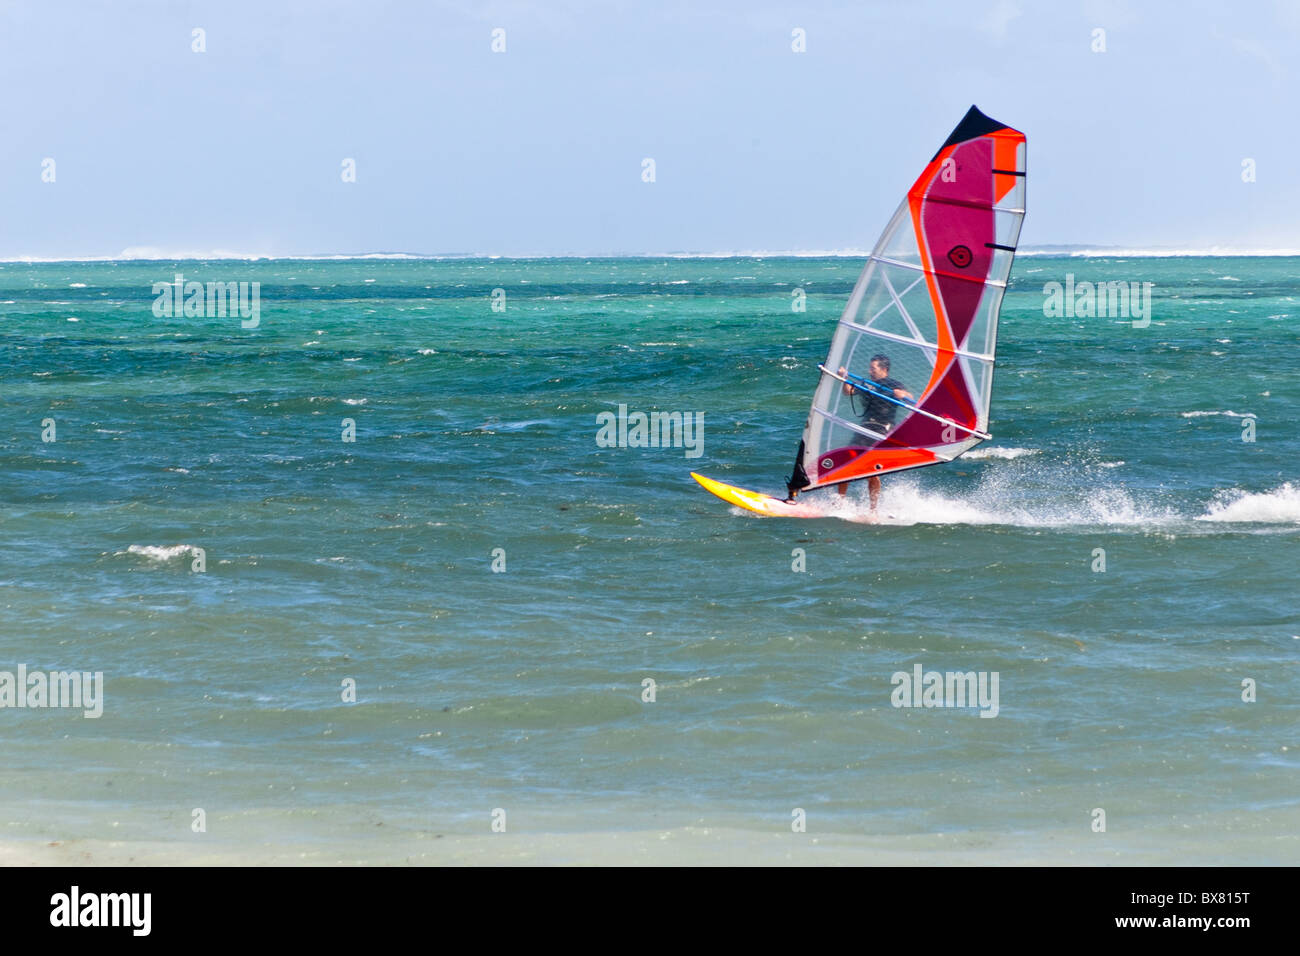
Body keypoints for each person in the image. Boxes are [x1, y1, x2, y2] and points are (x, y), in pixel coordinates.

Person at [837, 354, 913, 511]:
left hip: (882, 428)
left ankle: (873, 509)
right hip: (865, 426)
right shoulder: (867, 383)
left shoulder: (893, 384)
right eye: (870, 367)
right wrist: (844, 377)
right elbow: (848, 392)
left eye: (873, 368)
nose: (870, 371)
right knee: (846, 461)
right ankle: (840, 503)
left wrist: (903, 395)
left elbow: (910, 397)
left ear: (884, 369)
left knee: (871, 469)